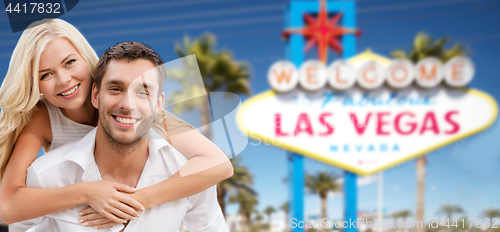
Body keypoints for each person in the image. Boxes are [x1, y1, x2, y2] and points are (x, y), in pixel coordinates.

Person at [0, 19, 232, 229]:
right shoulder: (43, 117)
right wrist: (86, 192)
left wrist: (135, 202)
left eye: (70, 62)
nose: (63, 80)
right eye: (45, 75)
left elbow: (219, 163)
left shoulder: (138, 108)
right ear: (35, 85)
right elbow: (8, 206)